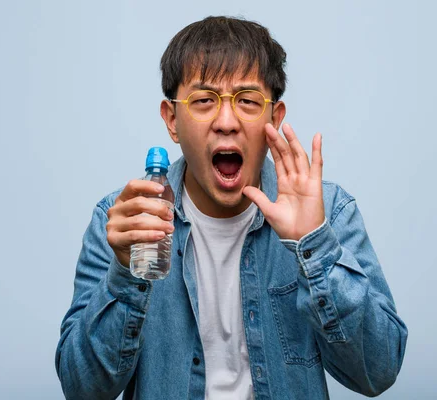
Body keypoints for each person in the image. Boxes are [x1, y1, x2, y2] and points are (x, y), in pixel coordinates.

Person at [55, 16, 407, 400]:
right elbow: (82, 388)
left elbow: (379, 371)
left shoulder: (330, 212)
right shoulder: (124, 221)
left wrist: (314, 245)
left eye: (248, 101)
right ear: (172, 120)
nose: (227, 122)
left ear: (274, 117)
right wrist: (126, 270)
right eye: (204, 101)